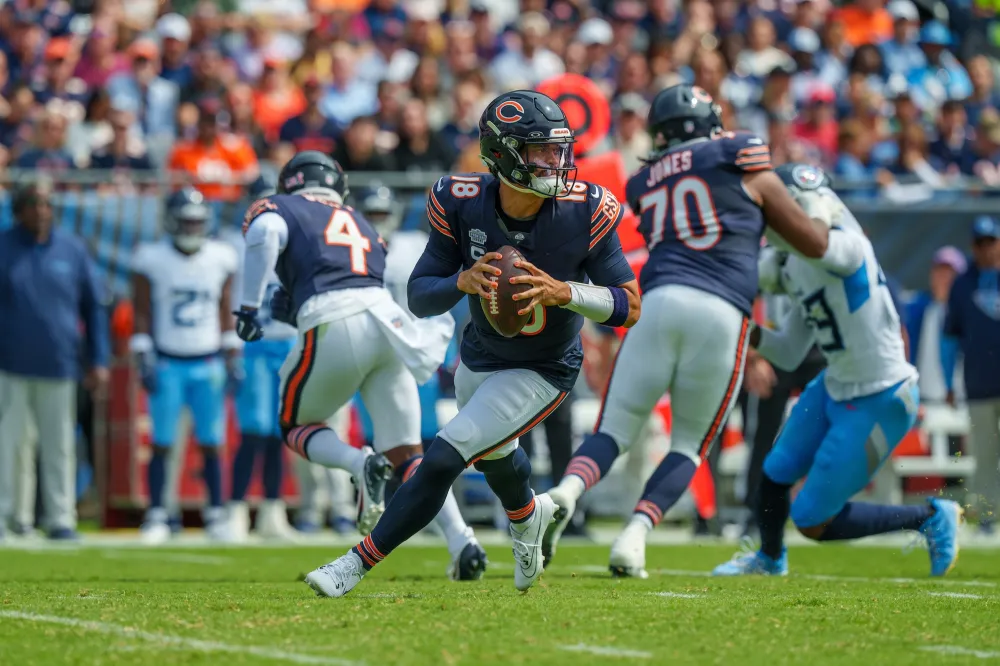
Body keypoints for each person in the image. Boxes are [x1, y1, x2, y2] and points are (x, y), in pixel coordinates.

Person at [304, 90, 641, 598]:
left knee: (446, 454)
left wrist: (563, 292)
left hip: (545, 367)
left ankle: (354, 564)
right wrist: (460, 281)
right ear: (504, 154)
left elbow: (629, 305)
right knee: (497, 455)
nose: (558, 161)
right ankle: (529, 522)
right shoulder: (459, 199)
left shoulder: (585, 209)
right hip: (480, 356)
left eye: (560, 149)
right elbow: (419, 297)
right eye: (542, 151)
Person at [542, 84, 836, 578]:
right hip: (721, 310)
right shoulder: (737, 153)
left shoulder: (642, 180)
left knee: (612, 430)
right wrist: (820, 207)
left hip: (655, 302)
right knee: (688, 445)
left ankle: (566, 492)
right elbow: (812, 243)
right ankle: (634, 537)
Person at [235, 152, 482, 581]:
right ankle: (463, 540)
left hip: (337, 319)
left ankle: (356, 464)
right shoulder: (361, 222)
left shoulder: (283, 208)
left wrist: (247, 308)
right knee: (409, 455)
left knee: (295, 425)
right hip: (386, 324)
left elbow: (265, 231)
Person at [712, 164, 961, 577]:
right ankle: (769, 559)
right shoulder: (793, 263)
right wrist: (744, 328)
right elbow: (790, 352)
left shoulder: (846, 246)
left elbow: (821, 243)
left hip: (882, 394)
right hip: (835, 384)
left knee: (812, 520)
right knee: (774, 473)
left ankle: (928, 517)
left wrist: (815, 206)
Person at [350, 182, 484, 557]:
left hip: (413, 353)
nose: (378, 222)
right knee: (384, 443)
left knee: (426, 440)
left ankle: (426, 516)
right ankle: (396, 516)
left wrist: (443, 347)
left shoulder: (411, 245)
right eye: (371, 215)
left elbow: (436, 289)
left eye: (382, 214)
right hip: (374, 356)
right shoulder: (351, 245)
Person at [130, 188, 241, 544]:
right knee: (162, 442)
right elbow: (143, 309)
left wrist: (232, 352)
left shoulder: (220, 257)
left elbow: (225, 306)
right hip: (167, 360)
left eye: (197, 222)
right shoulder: (152, 258)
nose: (192, 228)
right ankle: (159, 513)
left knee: (212, 441)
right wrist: (143, 351)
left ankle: (215, 514)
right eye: (186, 221)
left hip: (208, 360)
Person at [0, 181, 110, 541]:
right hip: (9, 365)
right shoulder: (3, 247)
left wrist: (98, 360)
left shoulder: (73, 249)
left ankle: (61, 518)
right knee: (12, 445)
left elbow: (94, 308)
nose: (41, 211)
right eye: (33, 204)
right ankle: (12, 518)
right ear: (18, 210)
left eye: (47, 204)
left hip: (61, 365)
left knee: (60, 445)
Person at [220, 177, 299, 541]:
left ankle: (272, 510)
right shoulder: (233, 245)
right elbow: (225, 297)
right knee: (253, 430)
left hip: (285, 343)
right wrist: (229, 343)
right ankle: (235, 510)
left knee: (277, 432)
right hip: (250, 344)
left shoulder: (295, 241)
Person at [942, 217, 1000, 535]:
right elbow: (950, 337)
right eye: (980, 243)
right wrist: (948, 381)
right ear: (972, 246)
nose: (986, 248)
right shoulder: (963, 284)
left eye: (991, 241)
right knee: (986, 455)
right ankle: (988, 517)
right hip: (979, 384)